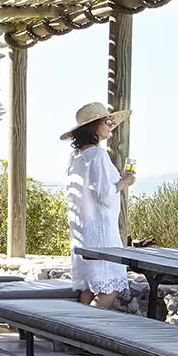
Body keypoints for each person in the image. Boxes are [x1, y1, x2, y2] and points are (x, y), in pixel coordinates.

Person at [62, 102, 136, 309]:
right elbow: (104, 194)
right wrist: (124, 182)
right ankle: (83, 335)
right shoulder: (97, 154)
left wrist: (116, 181)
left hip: (83, 233)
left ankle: (72, 336)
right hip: (102, 232)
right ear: (93, 126)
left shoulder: (76, 158)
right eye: (107, 121)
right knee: (109, 289)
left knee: (88, 288)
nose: (111, 125)